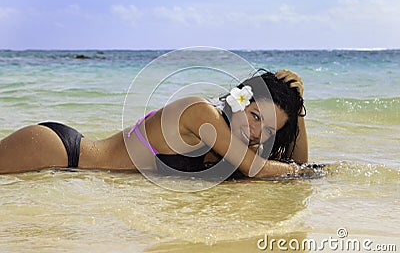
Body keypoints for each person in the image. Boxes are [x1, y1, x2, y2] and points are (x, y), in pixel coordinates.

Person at [0, 69, 308, 179]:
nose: (257, 132)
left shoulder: (231, 148)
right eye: (255, 116)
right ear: (239, 100)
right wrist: (306, 172)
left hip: (68, 175)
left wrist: (299, 113)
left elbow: (292, 166)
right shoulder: (201, 113)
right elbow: (266, 168)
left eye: (269, 131)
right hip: (60, 153)